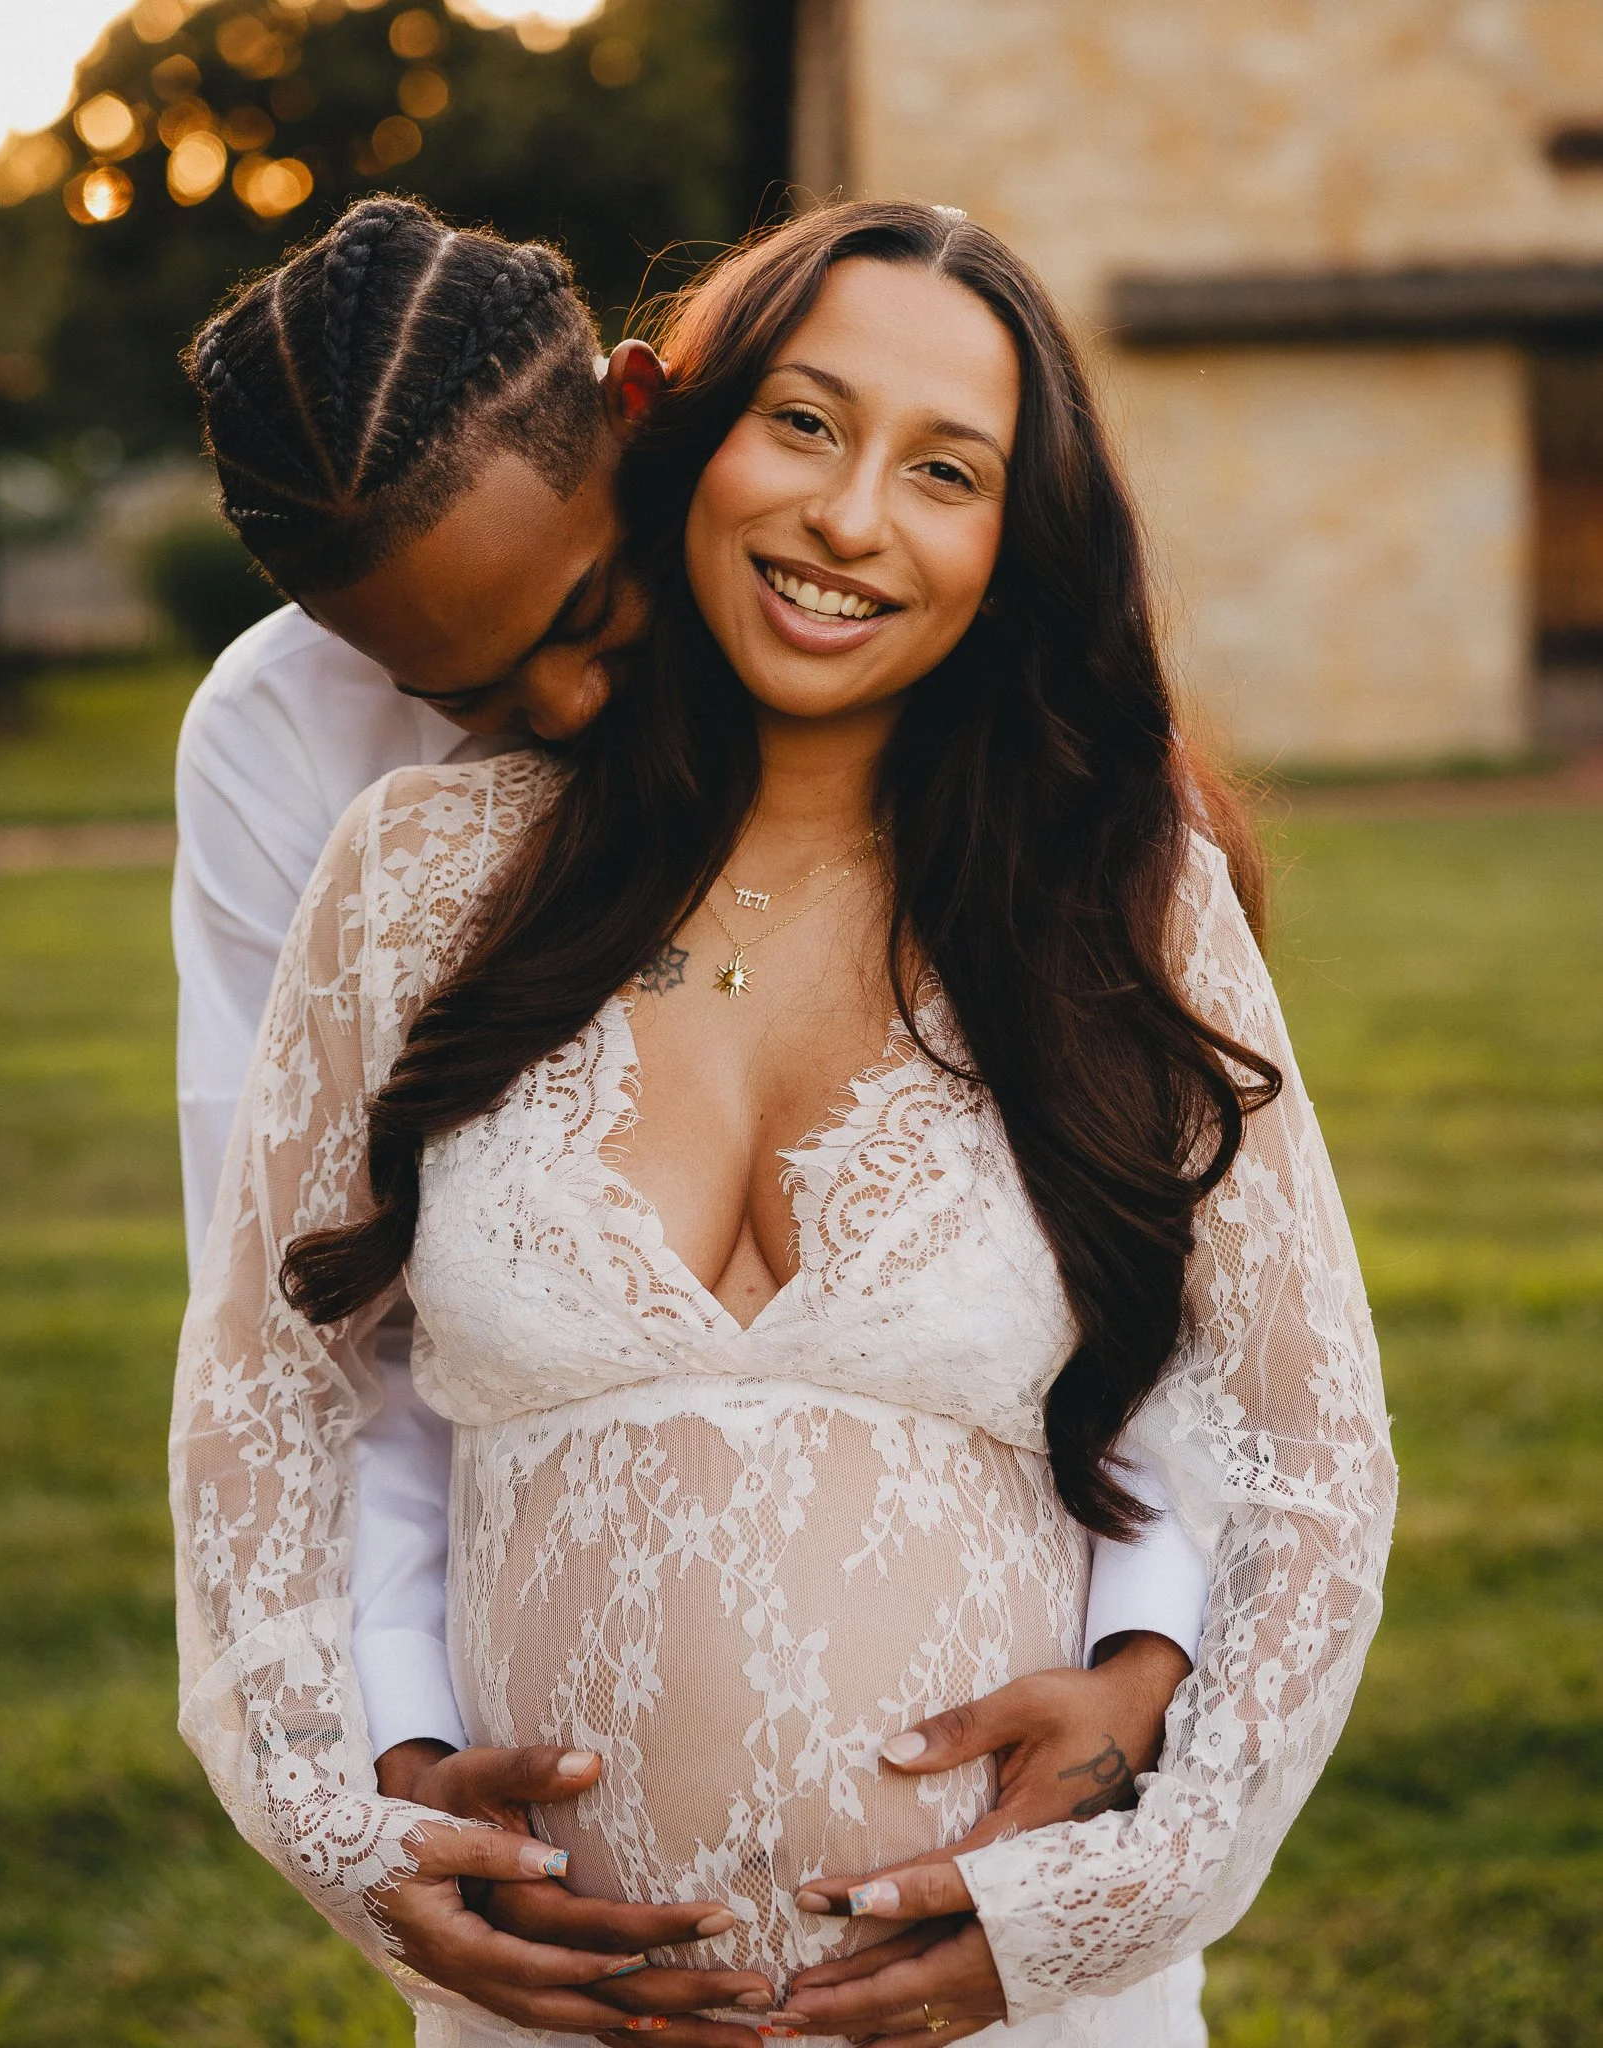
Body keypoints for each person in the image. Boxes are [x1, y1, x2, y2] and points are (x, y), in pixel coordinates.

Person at [174, 198, 1217, 2041]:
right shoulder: (295, 761)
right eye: (464, 690)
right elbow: (317, 1333)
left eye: (585, 614)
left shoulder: (995, 763)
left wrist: (1143, 1656)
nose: (564, 701)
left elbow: (1175, 1294)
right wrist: (397, 1753)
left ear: (648, 417)